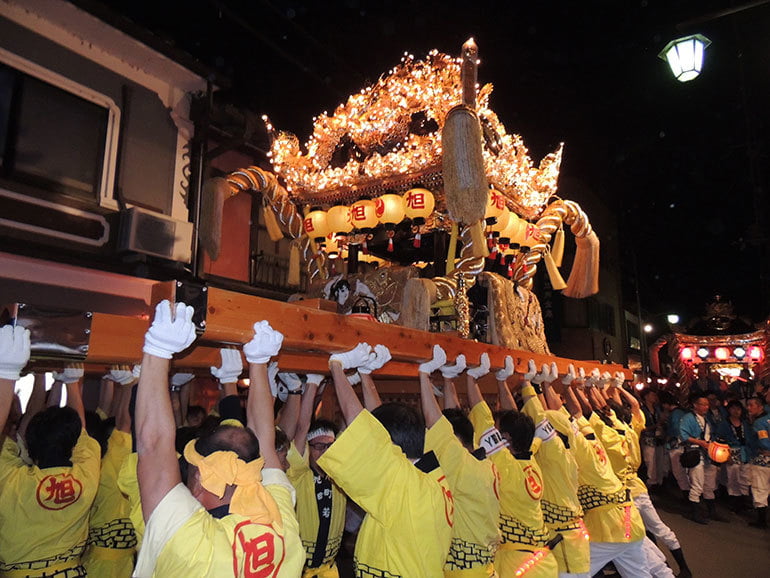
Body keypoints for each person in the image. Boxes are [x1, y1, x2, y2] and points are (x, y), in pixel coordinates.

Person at [132, 302, 303, 577]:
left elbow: (154, 446)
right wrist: (258, 362)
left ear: (199, 478)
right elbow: (264, 439)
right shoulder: (279, 520)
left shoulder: (188, 539)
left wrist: (159, 349)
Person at [318, 343, 453, 577]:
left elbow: (365, 430)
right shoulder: (427, 476)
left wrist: (337, 365)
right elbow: (380, 432)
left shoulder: (405, 484)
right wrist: (364, 373)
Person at [0, 324, 101, 578]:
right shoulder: (86, 476)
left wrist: (8, 373)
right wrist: (72, 383)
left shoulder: (13, 481)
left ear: (28, 447)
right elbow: (82, 433)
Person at [464, 353, 558, 577]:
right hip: (541, 561)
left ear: (505, 439)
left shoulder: (507, 467)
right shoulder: (532, 459)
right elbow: (515, 420)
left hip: (518, 564)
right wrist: (502, 380)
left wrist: (470, 376)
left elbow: (483, 421)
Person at [421, 348, 501, 577]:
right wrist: (448, 378)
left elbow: (436, 422)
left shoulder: (461, 463)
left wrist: (423, 374)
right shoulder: (486, 462)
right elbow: (453, 422)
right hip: (483, 568)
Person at [82, 366, 138, 577]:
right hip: (106, 563)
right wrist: (129, 385)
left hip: (115, 559)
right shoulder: (107, 468)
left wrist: (115, 382)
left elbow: (115, 420)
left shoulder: (92, 468)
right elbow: (123, 423)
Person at [679, 392, 724, 524]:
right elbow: (683, 435)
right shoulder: (688, 418)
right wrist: (701, 443)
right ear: (695, 405)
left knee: (709, 484)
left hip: (707, 454)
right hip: (695, 453)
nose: (705, 407)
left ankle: (711, 511)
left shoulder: (707, 419)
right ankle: (695, 513)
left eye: (707, 405)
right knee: (697, 484)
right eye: (702, 404)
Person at [716, 400, 752, 512]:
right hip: (731, 451)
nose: (736, 411)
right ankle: (734, 501)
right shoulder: (724, 424)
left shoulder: (745, 423)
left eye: (738, 409)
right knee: (733, 476)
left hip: (745, 452)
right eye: (733, 408)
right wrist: (727, 456)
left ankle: (743, 500)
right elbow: (720, 440)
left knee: (745, 477)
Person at [659, 392, 690, 499]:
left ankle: (687, 494)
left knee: (679, 471)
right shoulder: (682, 412)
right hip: (683, 444)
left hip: (677, 444)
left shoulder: (675, 414)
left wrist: (667, 434)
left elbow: (676, 429)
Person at [747, 395, 770, 528]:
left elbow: (763, 441)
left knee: (760, 489)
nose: (748, 408)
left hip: (762, 459)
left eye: (751, 405)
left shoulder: (759, 422)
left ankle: (761, 521)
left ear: (760, 407)